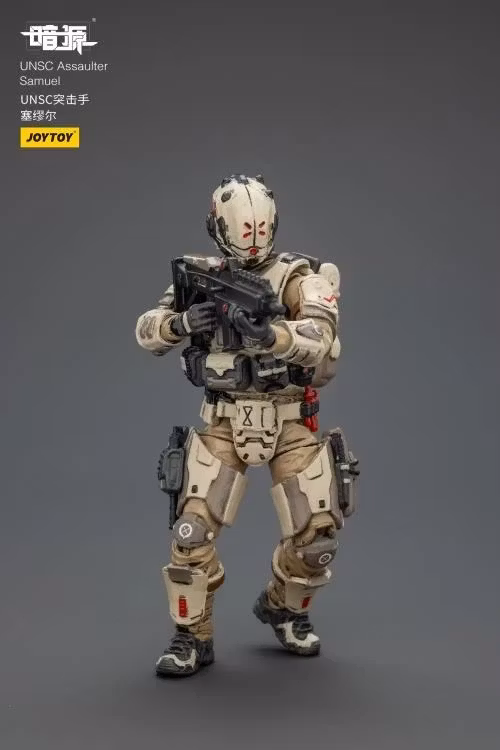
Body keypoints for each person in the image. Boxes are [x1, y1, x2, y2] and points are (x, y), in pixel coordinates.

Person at [136, 174, 358, 676]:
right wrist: (181, 323)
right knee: (192, 531)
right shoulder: (201, 277)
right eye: (244, 230)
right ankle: (192, 636)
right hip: (224, 418)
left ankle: (284, 608)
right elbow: (146, 332)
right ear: (219, 228)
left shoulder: (299, 277)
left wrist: (274, 336)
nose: (253, 241)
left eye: (260, 229)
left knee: (317, 537)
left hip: (289, 419)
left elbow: (322, 339)